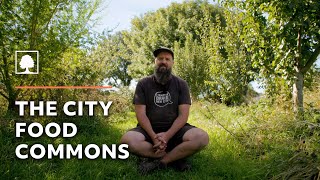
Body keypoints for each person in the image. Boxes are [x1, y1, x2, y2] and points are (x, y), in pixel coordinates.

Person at [120, 47, 209, 174]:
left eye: (167, 59)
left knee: (201, 138)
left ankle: (162, 161)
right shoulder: (143, 84)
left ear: (172, 63)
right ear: (155, 62)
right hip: (148, 132)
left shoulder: (181, 84)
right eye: (160, 59)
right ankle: (176, 157)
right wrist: (154, 137)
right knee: (126, 141)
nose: (164, 61)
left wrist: (166, 136)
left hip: (176, 131)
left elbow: (183, 116)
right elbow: (141, 115)